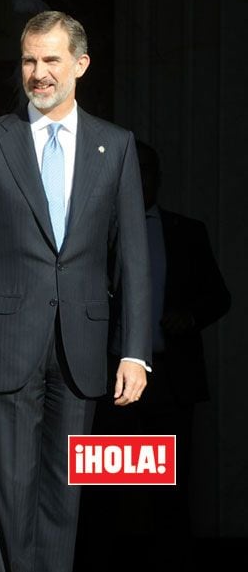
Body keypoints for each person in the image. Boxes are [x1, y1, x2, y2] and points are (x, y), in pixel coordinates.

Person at [0, 11, 152, 572]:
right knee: (9, 496)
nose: (39, 73)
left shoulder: (116, 146)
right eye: (29, 60)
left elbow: (132, 258)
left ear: (80, 64)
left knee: (63, 501)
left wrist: (135, 351)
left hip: (81, 349)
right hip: (5, 347)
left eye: (51, 60)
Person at [79, 140, 232, 571]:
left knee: (170, 492)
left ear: (158, 179)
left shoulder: (187, 231)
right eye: (132, 171)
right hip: (108, 381)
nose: (139, 180)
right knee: (101, 487)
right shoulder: (94, 231)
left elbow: (219, 296)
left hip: (169, 379)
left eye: (147, 172)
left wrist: (190, 316)